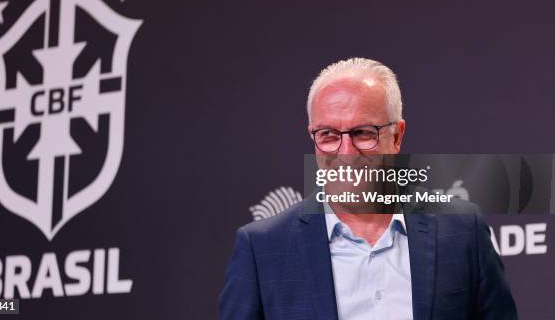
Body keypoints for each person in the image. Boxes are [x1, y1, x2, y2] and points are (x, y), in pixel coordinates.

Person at [219, 58, 518, 319]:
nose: (346, 152)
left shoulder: (463, 230)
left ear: (397, 135)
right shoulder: (263, 248)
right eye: (328, 135)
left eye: (363, 133)